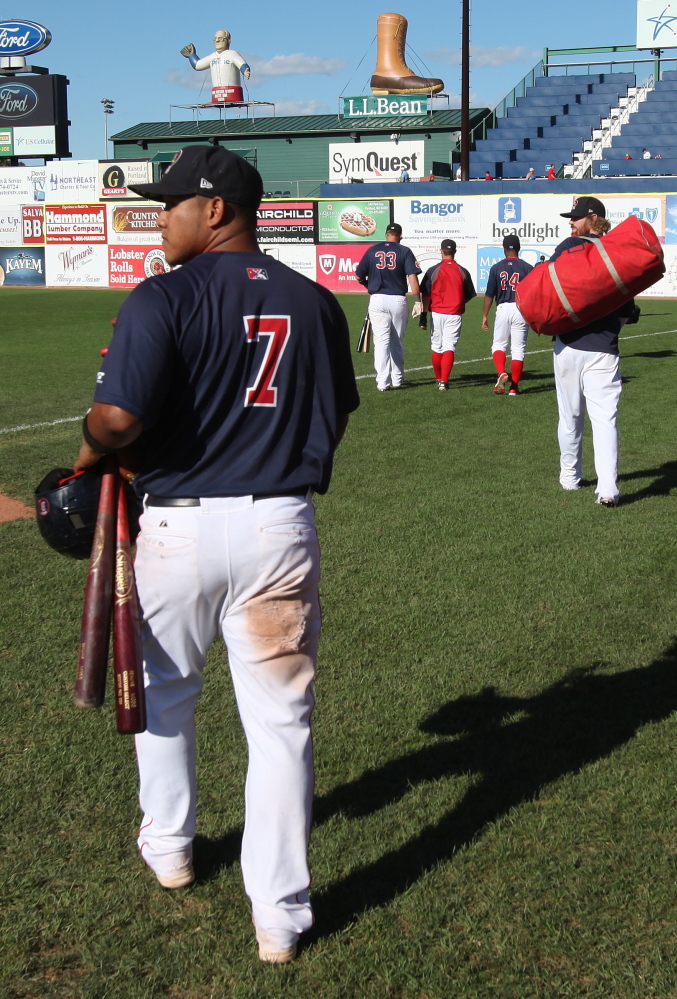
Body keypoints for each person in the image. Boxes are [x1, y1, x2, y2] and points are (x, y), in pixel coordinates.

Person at [72, 145, 360, 963]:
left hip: (180, 525)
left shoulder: (164, 295)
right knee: (281, 727)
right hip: (279, 525)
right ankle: (281, 915)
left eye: (172, 205)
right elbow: (334, 416)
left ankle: (169, 846)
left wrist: (89, 452)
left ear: (219, 210)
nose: (159, 217)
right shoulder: (313, 300)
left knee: (165, 693)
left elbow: (120, 418)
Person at [549, 195, 636, 506]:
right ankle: (608, 490)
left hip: (568, 344)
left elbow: (550, 291)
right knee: (604, 419)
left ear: (593, 217)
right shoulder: (615, 251)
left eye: (575, 217)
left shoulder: (564, 248)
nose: (571, 222)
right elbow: (628, 306)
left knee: (570, 416)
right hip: (603, 347)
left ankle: (569, 478)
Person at [355, 222, 421, 391]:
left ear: (386, 234)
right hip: (398, 300)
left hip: (377, 299)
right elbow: (412, 278)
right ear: (400, 236)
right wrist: (418, 300)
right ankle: (398, 379)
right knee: (396, 341)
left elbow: (359, 275)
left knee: (381, 342)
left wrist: (369, 286)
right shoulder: (404, 251)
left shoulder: (372, 250)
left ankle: (382, 382)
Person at [419, 238, 476, 390]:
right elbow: (469, 294)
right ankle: (444, 381)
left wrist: (423, 317)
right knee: (449, 346)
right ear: (455, 251)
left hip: (437, 312)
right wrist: (458, 301)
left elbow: (425, 294)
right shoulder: (463, 271)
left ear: (442, 251)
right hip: (454, 313)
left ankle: (438, 378)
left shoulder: (433, 270)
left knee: (437, 346)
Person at [481, 235, 533, 396]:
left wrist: (485, 315)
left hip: (503, 307)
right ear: (519, 248)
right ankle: (513, 388)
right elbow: (533, 294)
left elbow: (489, 294)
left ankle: (502, 372)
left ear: (504, 249)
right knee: (518, 350)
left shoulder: (496, 268)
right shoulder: (528, 267)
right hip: (520, 309)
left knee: (498, 344)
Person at [181, 29, 250, 103]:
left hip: (232, 93)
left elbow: (241, 64)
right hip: (217, 94)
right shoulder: (213, 56)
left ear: (228, 40)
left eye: (220, 38)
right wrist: (192, 56)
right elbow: (198, 65)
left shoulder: (232, 54)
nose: (217, 41)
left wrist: (245, 70)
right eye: (215, 39)